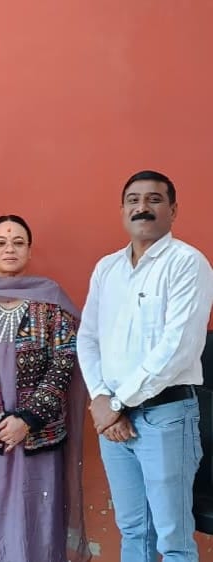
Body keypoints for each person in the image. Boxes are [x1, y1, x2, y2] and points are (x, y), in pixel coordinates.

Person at [77, 170, 213, 562]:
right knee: (134, 531)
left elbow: (177, 348)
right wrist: (101, 398)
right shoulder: (107, 269)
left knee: (173, 540)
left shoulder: (187, 263)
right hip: (112, 422)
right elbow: (88, 337)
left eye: (154, 199)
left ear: (173, 210)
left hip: (165, 417)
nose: (142, 208)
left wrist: (115, 403)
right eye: (133, 200)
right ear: (122, 210)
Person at [0, 215, 90, 562]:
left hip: (39, 435)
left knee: (36, 518)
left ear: (29, 250)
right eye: (0, 243)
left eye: (18, 242)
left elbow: (64, 362)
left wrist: (27, 420)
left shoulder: (52, 301)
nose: (9, 249)